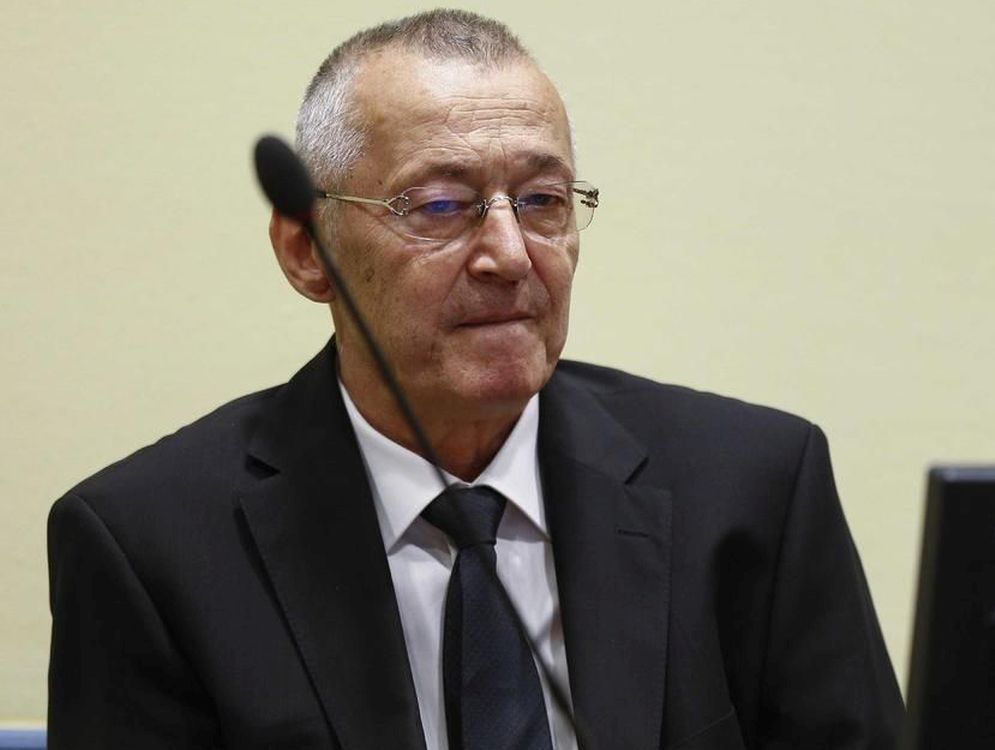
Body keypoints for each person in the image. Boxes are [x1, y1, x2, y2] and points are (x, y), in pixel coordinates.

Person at [47, 10, 903, 750]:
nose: (509, 256)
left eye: (543, 201)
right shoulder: (150, 548)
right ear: (307, 251)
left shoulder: (752, 491)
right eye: (440, 207)